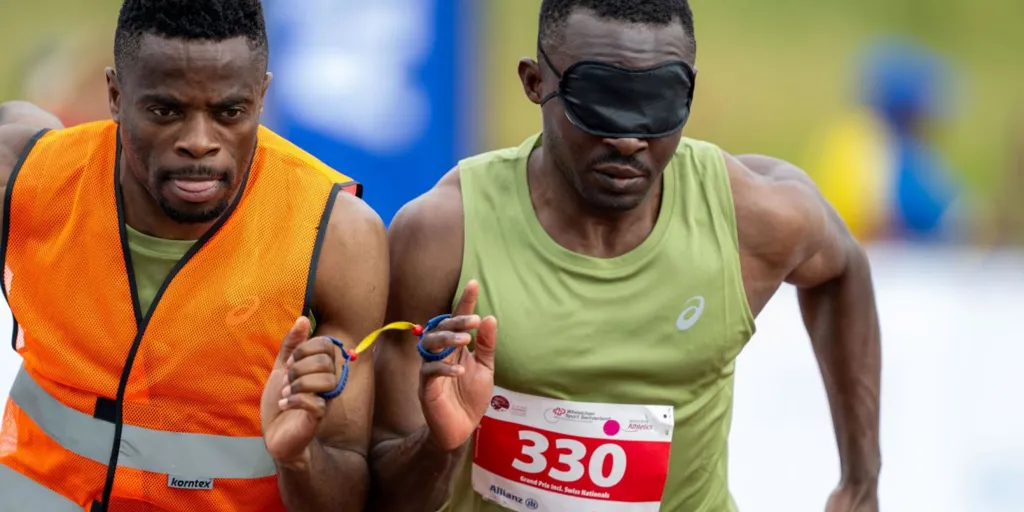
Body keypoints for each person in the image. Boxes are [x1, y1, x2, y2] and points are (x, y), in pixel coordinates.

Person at [370, 1, 881, 511]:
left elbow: (842, 270)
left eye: (656, 103)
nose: (628, 138)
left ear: (688, 91)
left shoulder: (747, 216)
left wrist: (860, 478)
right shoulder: (443, 234)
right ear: (534, 82)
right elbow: (385, 495)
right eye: (599, 101)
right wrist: (439, 446)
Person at [0, 1, 386, 511]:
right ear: (115, 95)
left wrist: (299, 458)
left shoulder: (336, 238)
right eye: (166, 111)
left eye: (229, 113)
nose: (199, 143)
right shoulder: (25, 178)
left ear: (261, 96)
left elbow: (349, 491)